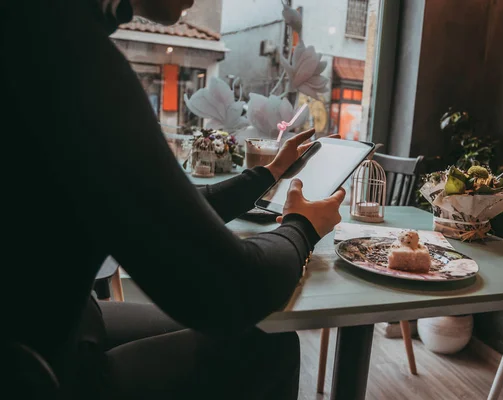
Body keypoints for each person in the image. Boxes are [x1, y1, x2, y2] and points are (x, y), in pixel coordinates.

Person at [1, 0, 345, 399]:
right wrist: (300, 226)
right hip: (44, 374)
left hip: (57, 329)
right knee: (268, 342)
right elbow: (233, 291)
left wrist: (267, 173)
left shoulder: (40, 28)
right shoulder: (69, 54)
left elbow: (155, 211)